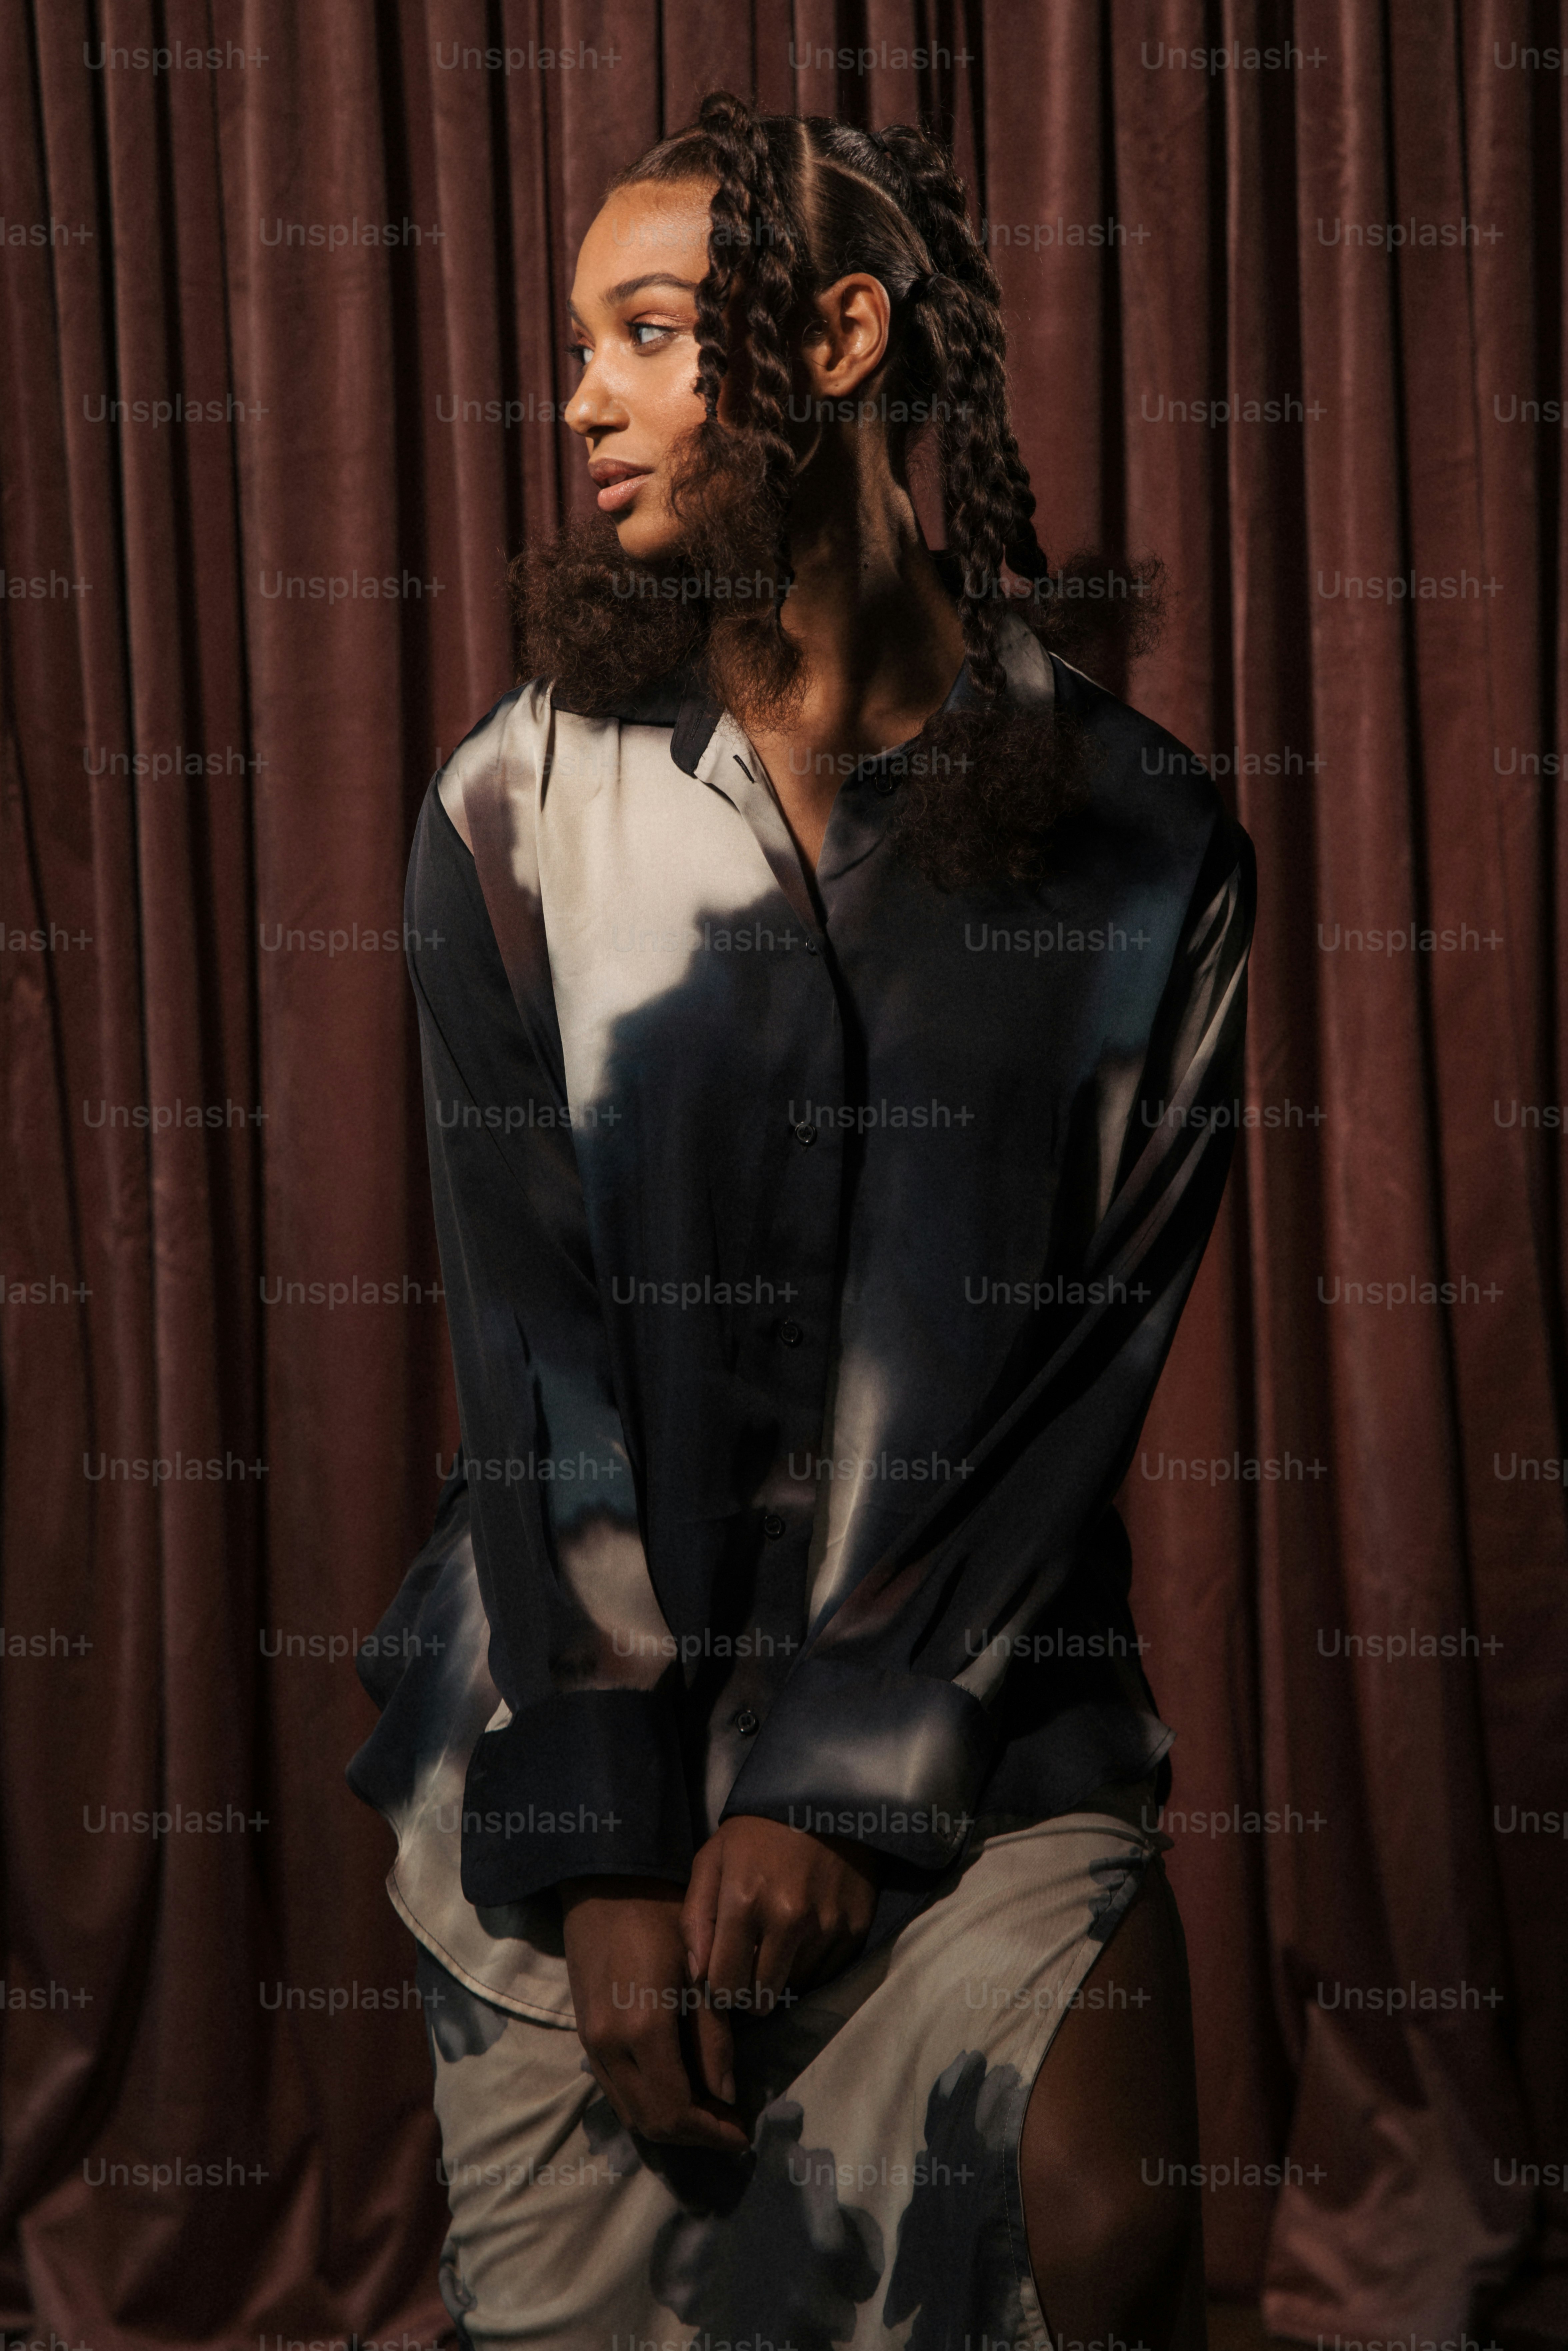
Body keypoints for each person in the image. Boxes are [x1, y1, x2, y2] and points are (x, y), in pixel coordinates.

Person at [349, 91, 1254, 2351]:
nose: (583, 401)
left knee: (1108, 2229)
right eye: (577, 347)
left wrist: (847, 1775)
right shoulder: (508, 816)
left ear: (840, 340)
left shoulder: (1148, 845)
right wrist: (611, 1844)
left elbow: (1076, 1379)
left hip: (974, 1696)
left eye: (649, 335)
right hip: (582, 1688)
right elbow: (535, 1357)